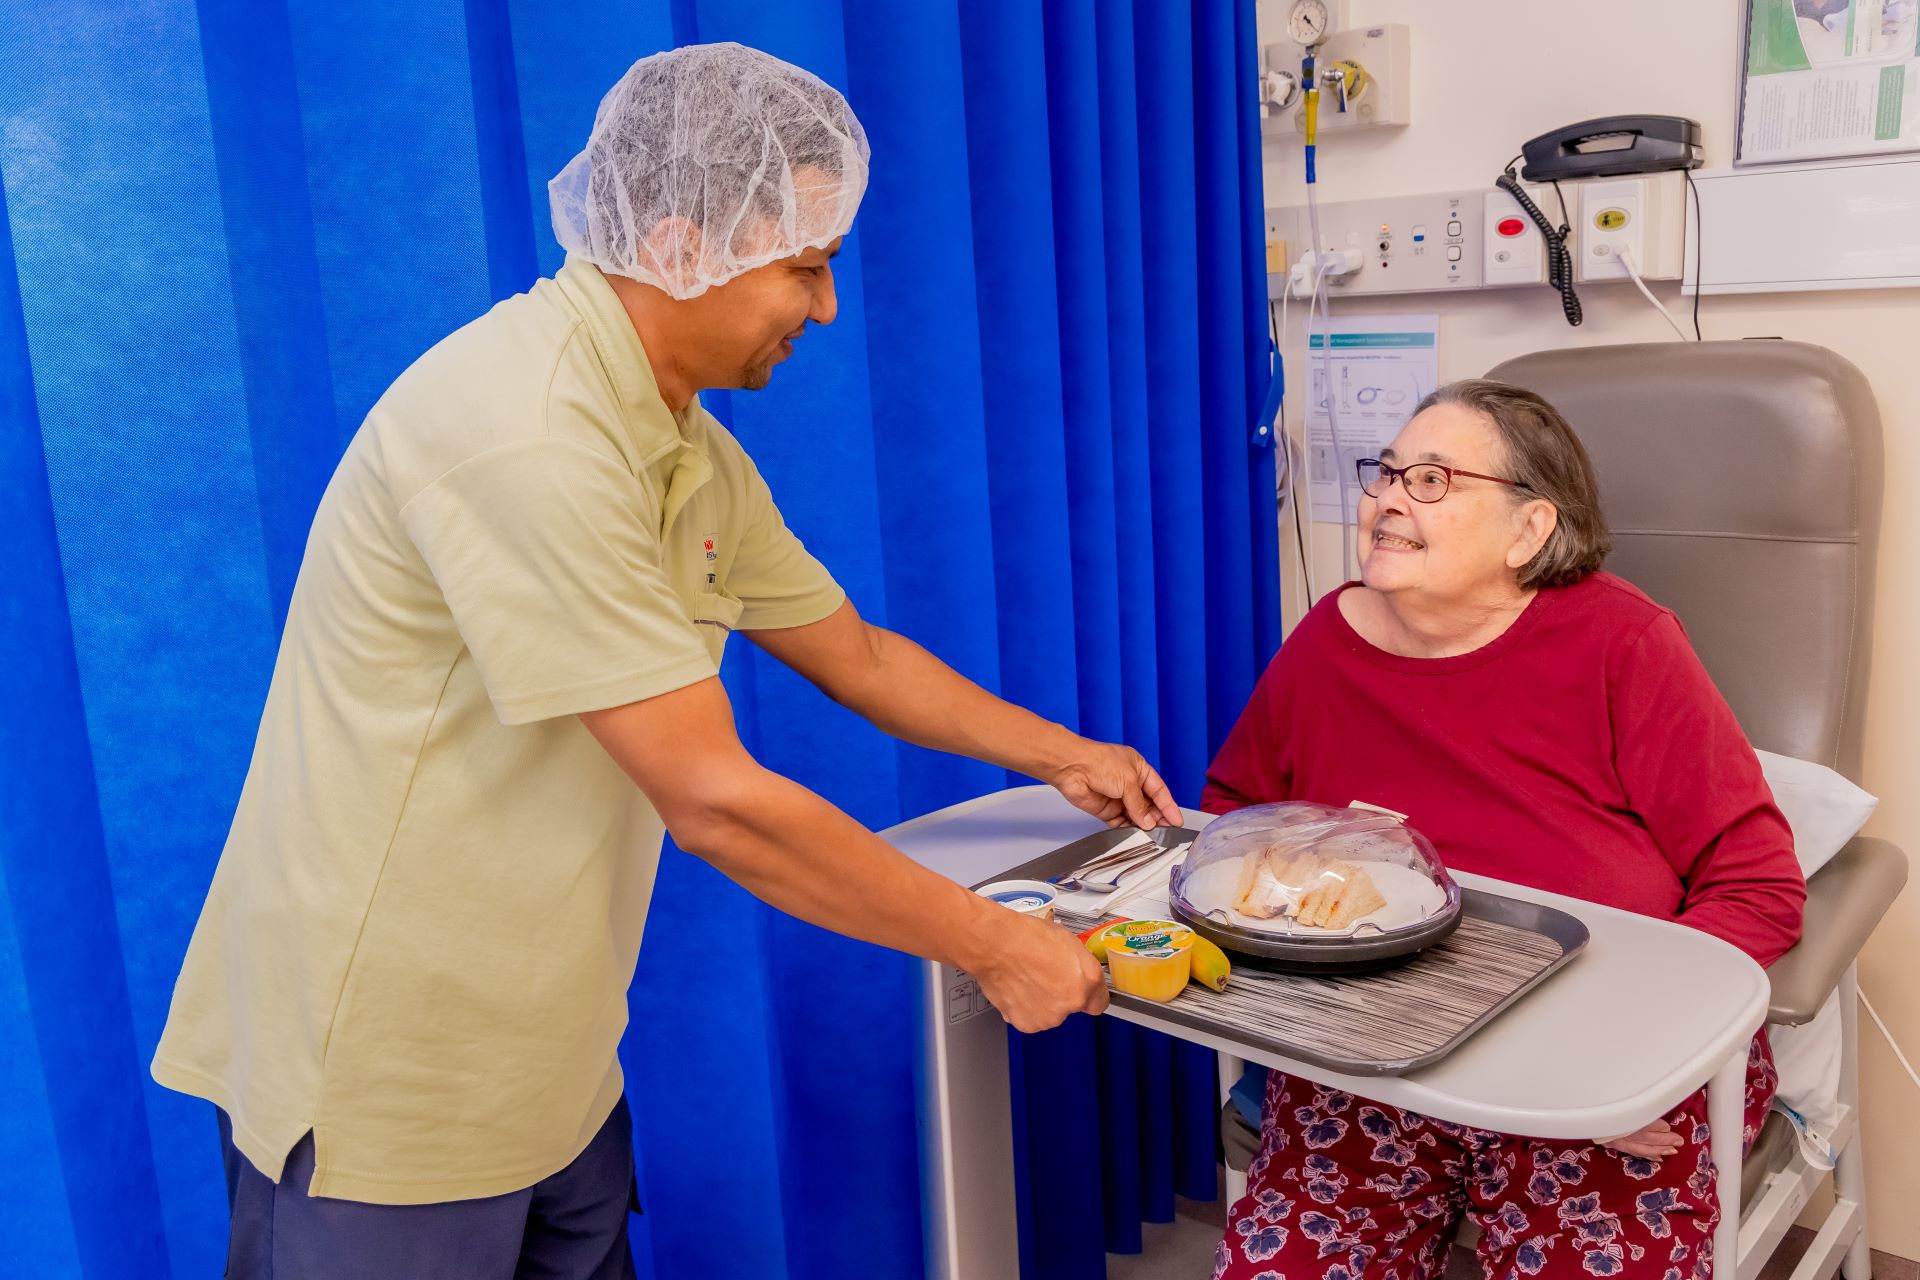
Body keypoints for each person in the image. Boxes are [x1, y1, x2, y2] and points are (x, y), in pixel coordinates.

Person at [152, 42, 1178, 1280]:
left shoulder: (679, 444)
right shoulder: (524, 433)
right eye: (806, 266)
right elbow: (714, 803)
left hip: (553, 1060)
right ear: (687, 244)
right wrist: (993, 941)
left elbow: (852, 651)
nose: (828, 306)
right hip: (390, 1081)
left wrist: (1066, 753)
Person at [1205, 380, 1805, 1280]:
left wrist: (1635, 1053)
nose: (1389, 497)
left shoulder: (1622, 644)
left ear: (1530, 530)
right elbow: (1232, 819)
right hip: (1380, 1053)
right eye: (1388, 472)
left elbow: (1755, 881)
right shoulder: (1328, 641)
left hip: (1604, 1054)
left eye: (1436, 479)